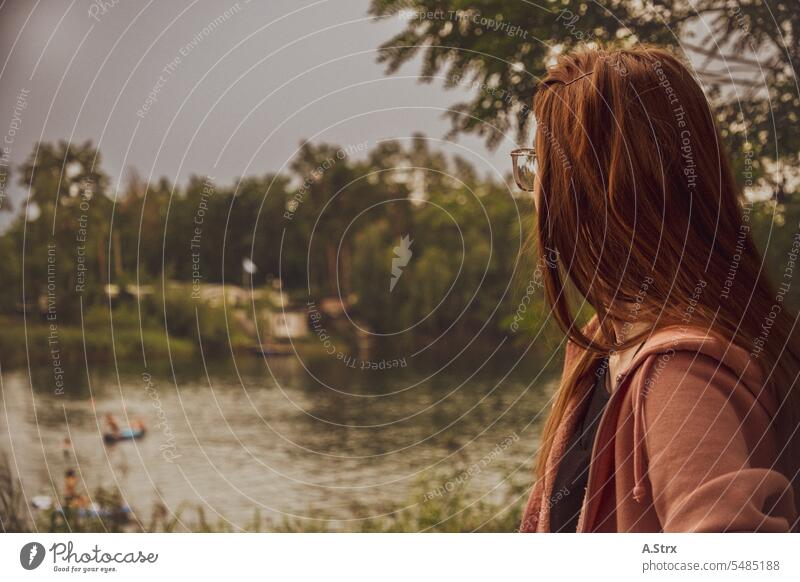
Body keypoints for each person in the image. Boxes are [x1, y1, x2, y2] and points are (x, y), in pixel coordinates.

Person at [513, 46, 800, 532]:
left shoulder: (679, 374)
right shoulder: (606, 342)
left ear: (587, 189)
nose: (535, 186)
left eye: (541, 165)